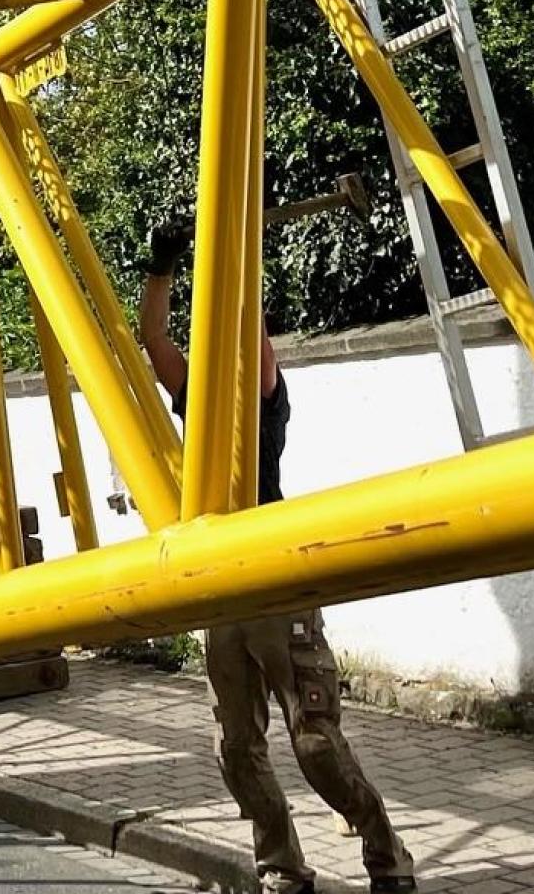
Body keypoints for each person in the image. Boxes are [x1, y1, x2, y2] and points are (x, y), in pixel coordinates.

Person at [138, 224, 416, 894]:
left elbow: (253, 342)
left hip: (276, 586)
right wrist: (162, 266)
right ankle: (281, 868)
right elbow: (152, 338)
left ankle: (386, 855)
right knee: (236, 749)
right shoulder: (196, 399)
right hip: (222, 591)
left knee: (315, 742)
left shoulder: (266, 400)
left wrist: (232, 254)